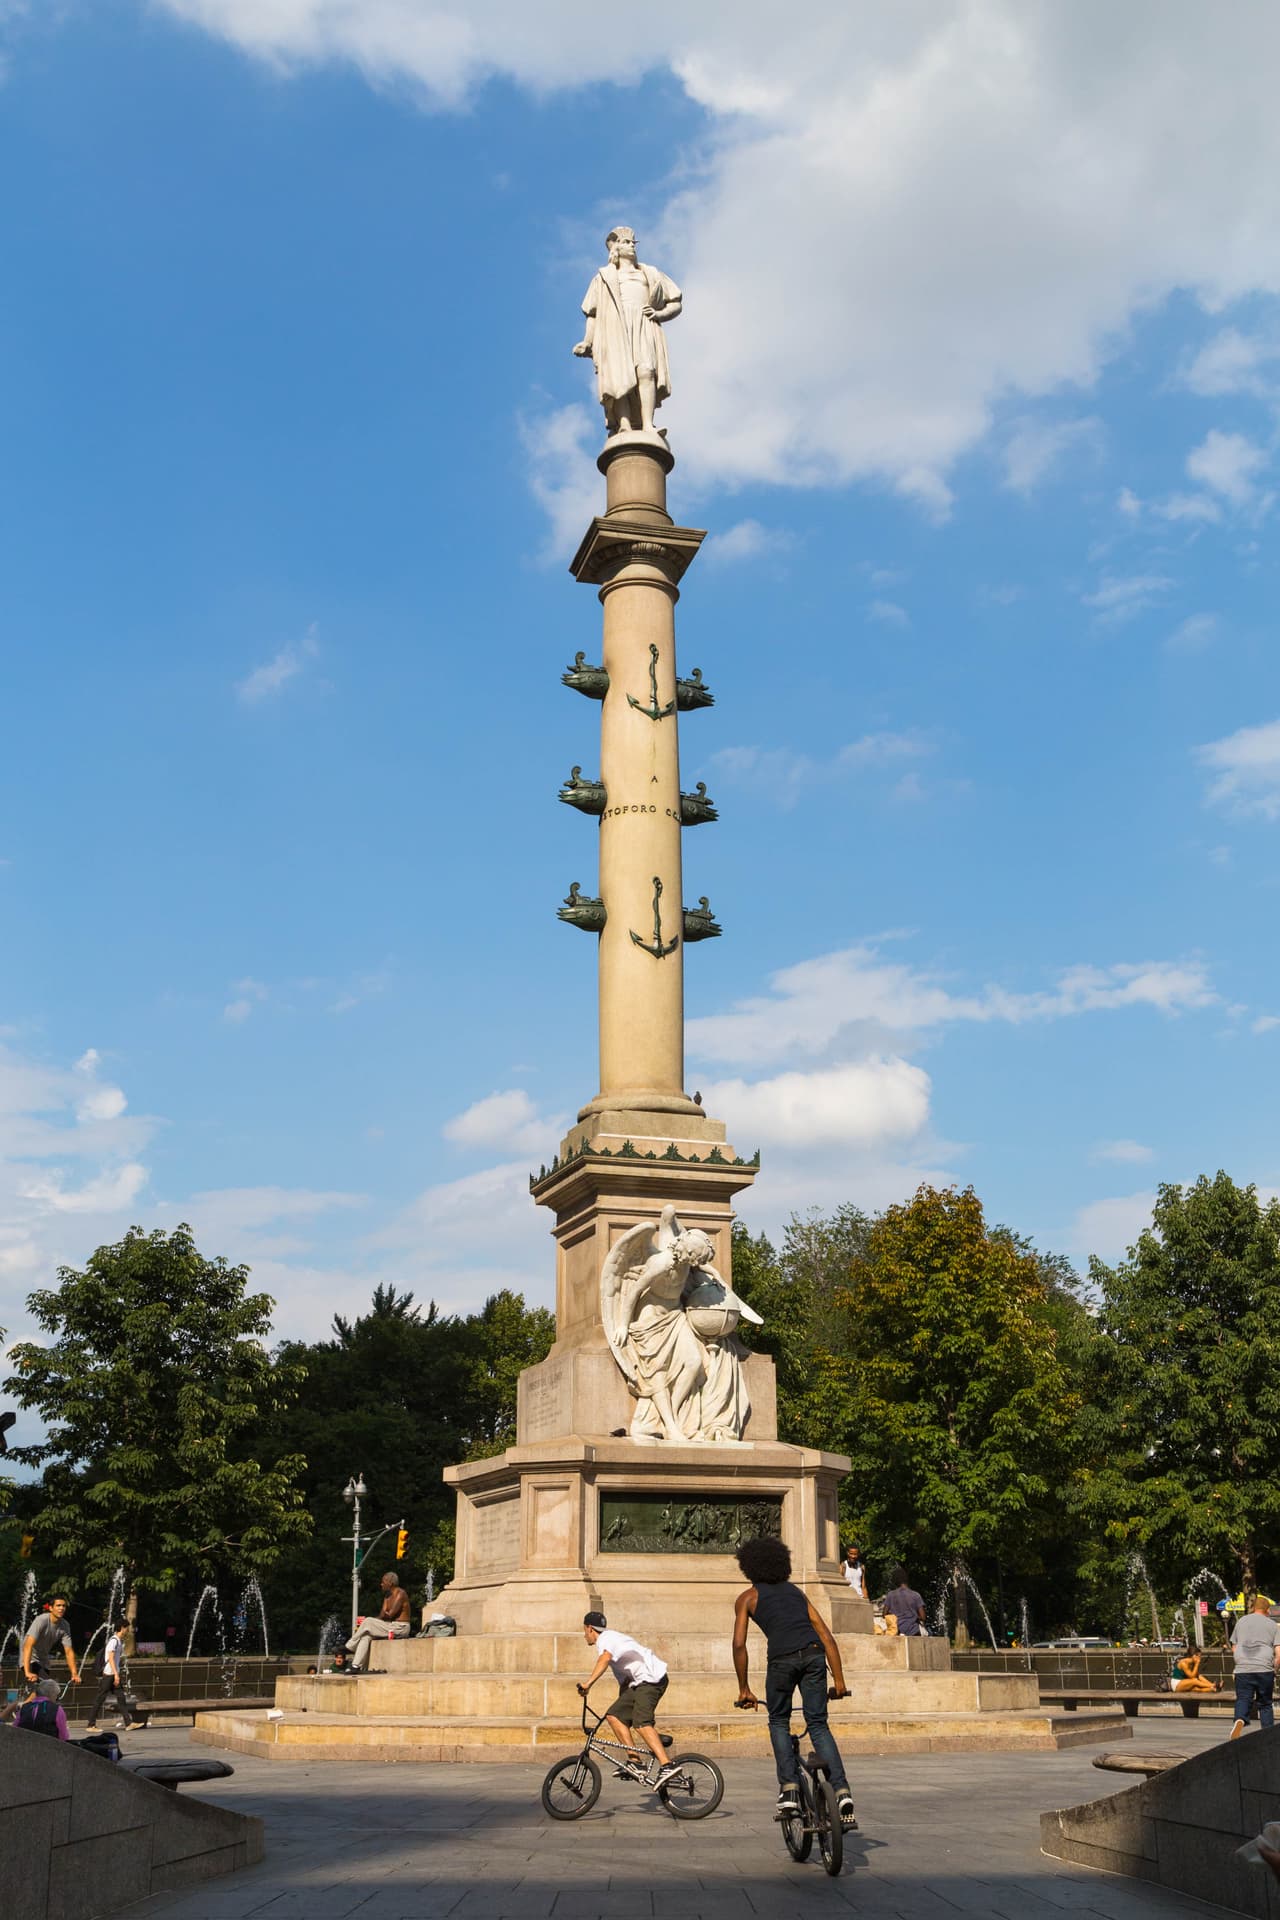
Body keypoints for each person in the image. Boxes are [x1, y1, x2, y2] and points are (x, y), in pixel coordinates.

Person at [732, 1535, 857, 1830]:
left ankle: (789, 1788)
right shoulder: (797, 1593)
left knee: (778, 1721)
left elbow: (739, 1645)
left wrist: (744, 1688)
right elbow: (826, 1635)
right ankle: (841, 1791)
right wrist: (839, 1681)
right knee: (818, 1724)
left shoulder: (748, 1598)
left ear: (749, 1567)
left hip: (782, 1660)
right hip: (814, 1656)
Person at [573, 227, 682, 437]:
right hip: (615, 329)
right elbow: (593, 313)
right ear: (615, 247)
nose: (631, 246)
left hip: (643, 325)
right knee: (619, 375)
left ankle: (648, 424)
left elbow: (676, 302)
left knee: (646, 371)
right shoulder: (603, 278)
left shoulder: (650, 273)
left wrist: (660, 314)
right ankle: (624, 424)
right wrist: (587, 341)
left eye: (633, 243)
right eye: (625, 242)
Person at [578, 1611, 681, 1791]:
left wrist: (588, 1684)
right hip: (640, 1684)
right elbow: (625, 1684)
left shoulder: (606, 1639)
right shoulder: (613, 1644)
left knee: (641, 1723)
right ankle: (635, 1763)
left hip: (651, 1680)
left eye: (584, 1631)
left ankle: (667, 1765)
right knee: (614, 1716)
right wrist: (620, 1710)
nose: (584, 1635)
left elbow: (604, 1659)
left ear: (589, 1628)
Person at [1229, 1596, 1280, 1737]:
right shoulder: (1272, 1625)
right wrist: (1274, 1669)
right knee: (1265, 1704)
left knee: (1243, 1699)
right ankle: (1267, 1735)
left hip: (1243, 1668)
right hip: (1264, 1668)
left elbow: (1234, 1647)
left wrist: (1240, 1662)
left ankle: (1239, 1720)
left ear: (1253, 1608)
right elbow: (1279, 1653)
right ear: (1267, 1610)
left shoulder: (1241, 1621)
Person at [346, 1572, 411, 1672]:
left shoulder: (400, 1594)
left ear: (391, 1583)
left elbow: (390, 1614)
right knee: (366, 1635)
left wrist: (379, 1617)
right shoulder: (387, 1596)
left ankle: (349, 1646)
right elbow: (382, 1616)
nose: (381, 1584)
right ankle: (356, 1666)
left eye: (383, 1582)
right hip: (390, 1626)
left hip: (401, 1628)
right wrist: (367, 1623)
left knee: (368, 1621)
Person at [86, 1617, 138, 1732]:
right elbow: (110, 1658)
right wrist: (116, 1674)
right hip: (109, 1674)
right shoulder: (114, 1641)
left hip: (113, 1674)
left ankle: (128, 1723)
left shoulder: (118, 1641)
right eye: (127, 1628)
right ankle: (90, 1725)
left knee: (121, 1698)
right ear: (122, 1628)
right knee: (100, 1699)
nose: (128, 1630)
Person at [23, 1597, 81, 1693]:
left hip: (43, 1660)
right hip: (29, 1658)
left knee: (38, 1693)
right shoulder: (41, 1620)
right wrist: (27, 1672)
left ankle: (20, 1706)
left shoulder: (65, 1625)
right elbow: (27, 1646)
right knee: (49, 1689)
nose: (61, 1608)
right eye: (58, 1605)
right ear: (51, 1608)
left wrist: (74, 1674)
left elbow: (69, 1651)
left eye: (63, 1606)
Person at [882, 1566, 926, 1637]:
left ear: (895, 1580)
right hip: (913, 1631)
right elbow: (923, 1617)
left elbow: (884, 1614)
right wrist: (914, 1616)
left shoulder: (891, 1595)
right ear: (906, 1580)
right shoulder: (916, 1595)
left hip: (897, 1631)